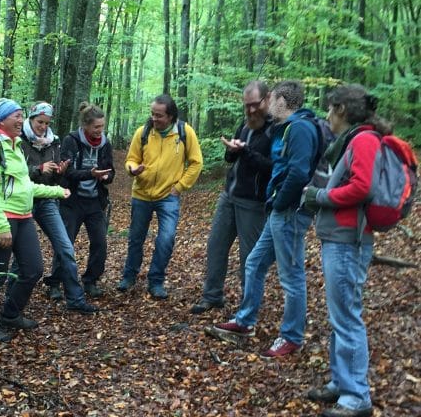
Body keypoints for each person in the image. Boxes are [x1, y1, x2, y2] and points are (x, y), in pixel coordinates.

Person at [206, 80, 320, 357]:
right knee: (254, 262)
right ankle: (245, 321)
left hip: (289, 211)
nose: (267, 106)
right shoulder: (287, 128)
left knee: (291, 277)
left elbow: (298, 173)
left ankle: (291, 336)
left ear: (280, 100)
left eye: (271, 100)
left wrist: (279, 202)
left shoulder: (301, 128)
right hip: (278, 210)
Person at [302, 85, 391, 417]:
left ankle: (357, 396)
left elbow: (362, 187)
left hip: (349, 241)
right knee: (339, 316)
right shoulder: (354, 140)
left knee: (347, 317)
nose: (327, 116)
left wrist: (320, 196)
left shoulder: (364, 140)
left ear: (341, 109)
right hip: (340, 238)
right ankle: (342, 382)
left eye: (330, 110)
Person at [0, 98, 70, 343]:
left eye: (20, 115)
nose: (19, 120)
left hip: (23, 216)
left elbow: (25, 187)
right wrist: (1, 225)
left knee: (33, 269)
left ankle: (11, 314)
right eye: (15, 116)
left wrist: (57, 191)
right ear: (1, 119)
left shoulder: (14, 146)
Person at [190, 81, 273, 314]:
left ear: (267, 100)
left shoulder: (275, 129)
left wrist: (246, 152)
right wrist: (233, 150)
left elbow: (271, 167)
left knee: (250, 257)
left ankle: (249, 307)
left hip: (253, 203)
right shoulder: (244, 126)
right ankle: (212, 296)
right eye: (247, 105)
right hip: (229, 196)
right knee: (216, 246)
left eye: (255, 105)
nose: (251, 110)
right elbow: (230, 159)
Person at [117, 94, 203, 299]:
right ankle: (129, 276)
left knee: (166, 238)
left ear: (171, 116)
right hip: (141, 194)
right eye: (152, 114)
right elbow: (131, 159)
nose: (154, 119)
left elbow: (196, 162)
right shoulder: (143, 132)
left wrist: (180, 187)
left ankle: (155, 281)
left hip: (168, 197)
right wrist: (132, 169)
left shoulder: (184, 132)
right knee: (136, 238)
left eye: (159, 115)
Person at [18, 101, 98, 314]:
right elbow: (15, 174)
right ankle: (13, 304)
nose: (43, 126)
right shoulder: (18, 141)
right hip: (22, 201)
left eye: (46, 122)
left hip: (47, 200)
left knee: (65, 247)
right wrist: (38, 169)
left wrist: (60, 172)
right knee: (20, 258)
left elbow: (55, 178)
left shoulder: (54, 142)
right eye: (39, 121)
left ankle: (75, 299)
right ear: (31, 118)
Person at [56, 102, 115, 298]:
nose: (99, 131)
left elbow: (111, 170)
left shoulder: (105, 143)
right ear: (85, 126)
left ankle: (90, 280)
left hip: (95, 202)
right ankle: (55, 282)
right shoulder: (71, 141)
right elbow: (69, 172)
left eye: (102, 127)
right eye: (96, 127)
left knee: (100, 242)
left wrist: (107, 176)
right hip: (72, 201)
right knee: (66, 243)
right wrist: (91, 174)